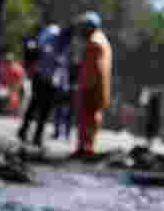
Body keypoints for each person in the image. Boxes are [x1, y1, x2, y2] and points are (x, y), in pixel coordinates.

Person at [18, 24, 71, 147]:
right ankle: (23, 130)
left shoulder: (66, 44)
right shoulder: (51, 34)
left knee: (45, 110)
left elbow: (63, 65)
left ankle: (37, 136)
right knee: (34, 104)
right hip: (40, 76)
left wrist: (64, 83)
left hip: (52, 81)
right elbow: (40, 50)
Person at [73, 11, 112, 157]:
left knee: (87, 119)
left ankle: (85, 148)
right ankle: (86, 147)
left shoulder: (94, 43)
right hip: (96, 87)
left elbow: (95, 68)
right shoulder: (101, 40)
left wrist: (86, 87)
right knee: (90, 119)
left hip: (91, 87)